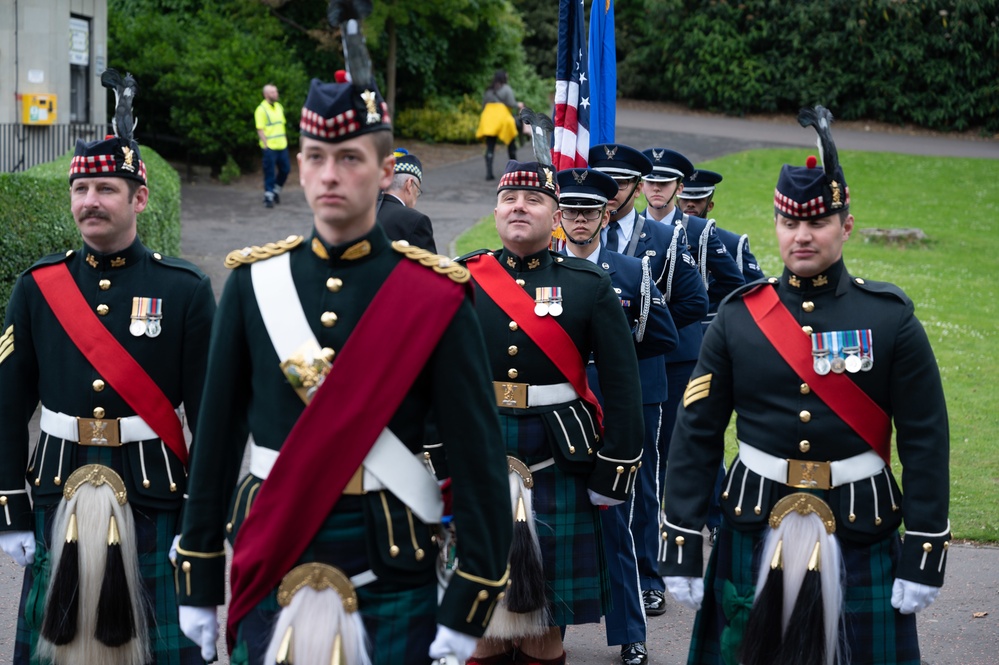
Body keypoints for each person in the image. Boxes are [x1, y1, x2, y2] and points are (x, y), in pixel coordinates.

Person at [174, 73, 512, 665]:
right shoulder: (255, 284)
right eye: (316, 158)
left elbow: (476, 454)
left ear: (385, 173)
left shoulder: (435, 294)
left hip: (390, 553)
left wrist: (472, 595)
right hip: (274, 541)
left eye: (350, 158)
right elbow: (217, 439)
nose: (331, 175)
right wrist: (200, 572)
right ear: (299, 166)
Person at [660, 106, 950, 665]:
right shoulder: (738, 317)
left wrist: (926, 545)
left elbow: (925, 436)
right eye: (789, 222)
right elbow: (696, 430)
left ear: (845, 225)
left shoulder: (889, 318)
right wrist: (679, 538)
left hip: (859, 526)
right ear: (775, 224)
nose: (801, 235)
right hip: (755, 517)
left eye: (816, 222)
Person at [0, 69, 216, 665]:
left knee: (160, 652)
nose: (89, 202)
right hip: (57, 485)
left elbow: (213, 414)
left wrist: (203, 516)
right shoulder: (40, 286)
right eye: (80, 190)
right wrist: (9, 504)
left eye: (106, 189)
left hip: (155, 492)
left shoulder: (186, 289)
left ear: (139, 198)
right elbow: (7, 401)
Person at [459, 157, 645, 665]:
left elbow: (624, 387)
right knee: (479, 627)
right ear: (495, 210)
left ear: (556, 214)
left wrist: (617, 468)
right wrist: (435, 454)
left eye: (535, 199)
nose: (520, 207)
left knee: (544, 636)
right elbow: (434, 377)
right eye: (510, 199)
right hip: (480, 457)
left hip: (560, 460)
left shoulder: (588, 283)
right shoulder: (462, 279)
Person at [556, 166, 678, 665]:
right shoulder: (545, 269)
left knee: (616, 526)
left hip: (610, 411)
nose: (580, 221)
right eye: (571, 212)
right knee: (555, 527)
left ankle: (631, 634)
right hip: (559, 417)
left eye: (589, 212)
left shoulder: (630, 273)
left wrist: (616, 360)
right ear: (559, 217)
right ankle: (549, 630)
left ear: (606, 215)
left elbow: (664, 335)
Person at [588, 143, 708, 619]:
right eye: (605, 180)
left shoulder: (663, 238)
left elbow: (693, 303)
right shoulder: (567, 235)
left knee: (639, 481)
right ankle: (594, 574)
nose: (612, 192)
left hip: (640, 380)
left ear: (638, 187)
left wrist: (638, 336)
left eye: (621, 183)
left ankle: (648, 575)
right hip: (579, 381)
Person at [377, 148, 437, 252]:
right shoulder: (416, 221)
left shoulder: (363, 211)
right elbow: (430, 267)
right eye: (417, 191)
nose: (416, 198)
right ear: (409, 184)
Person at [476, 70, 523, 180]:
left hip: (489, 120)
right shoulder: (506, 89)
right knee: (511, 143)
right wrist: (519, 104)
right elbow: (511, 103)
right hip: (503, 119)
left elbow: (483, 106)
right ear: (504, 77)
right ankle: (514, 172)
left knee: (490, 146)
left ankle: (489, 173)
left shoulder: (489, 90)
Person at [255, 83, 290, 208]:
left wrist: (285, 140)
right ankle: (268, 197)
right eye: (272, 92)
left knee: (286, 170)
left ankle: (275, 190)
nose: (276, 94)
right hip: (270, 147)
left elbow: (282, 125)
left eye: (276, 91)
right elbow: (260, 129)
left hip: (282, 145)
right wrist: (265, 145)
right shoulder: (261, 109)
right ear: (266, 95)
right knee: (269, 172)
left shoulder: (279, 107)